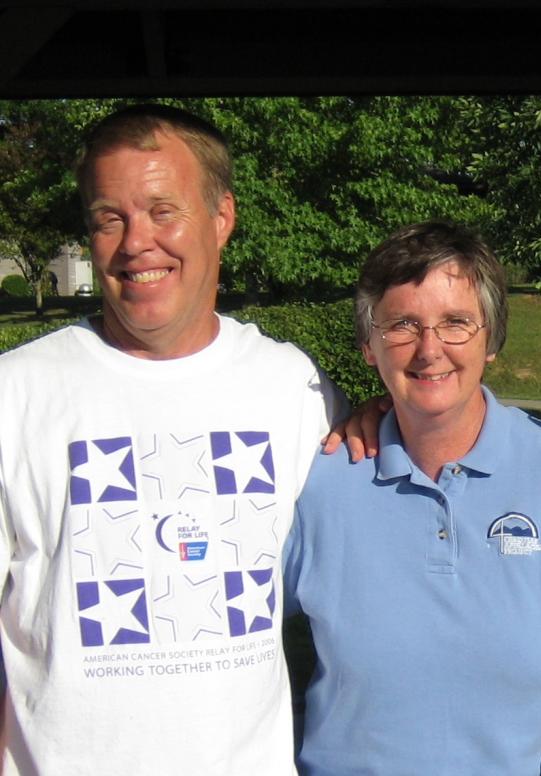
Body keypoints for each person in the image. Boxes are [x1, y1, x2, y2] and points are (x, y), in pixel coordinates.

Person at [0, 104, 345, 774]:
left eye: (163, 210)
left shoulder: (293, 388)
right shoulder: (15, 394)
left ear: (222, 219)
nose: (136, 242)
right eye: (109, 218)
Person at [282, 221, 541, 776]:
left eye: (456, 322)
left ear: (492, 338)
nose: (430, 350)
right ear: (368, 345)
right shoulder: (317, 483)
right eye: (402, 325)